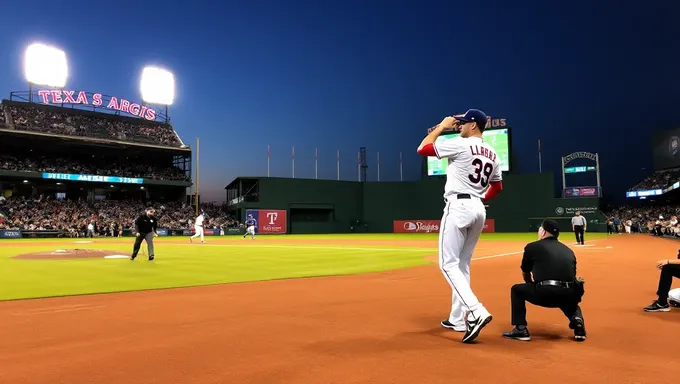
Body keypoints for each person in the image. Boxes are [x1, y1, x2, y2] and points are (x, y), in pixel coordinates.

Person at [416, 109, 504, 343]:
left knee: (447, 264)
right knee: (463, 265)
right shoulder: (494, 153)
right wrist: (478, 200)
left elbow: (423, 149)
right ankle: (457, 318)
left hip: (459, 206)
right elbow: (497, 188)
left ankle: (476, 310)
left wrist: (442, 126)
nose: (460, 126)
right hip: (478, 208)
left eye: (464, 123)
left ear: (473, 125)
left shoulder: (461, 144)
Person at [502, 219, 586, 341]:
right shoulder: (568, 250)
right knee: (568, 298)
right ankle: (577, 321)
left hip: (545, 292)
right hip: (567, 293)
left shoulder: (532, 247)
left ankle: (520, 329)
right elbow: (571, 276)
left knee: (516, 290)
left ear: (543, 232)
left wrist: (531, 285)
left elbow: (525, 272)